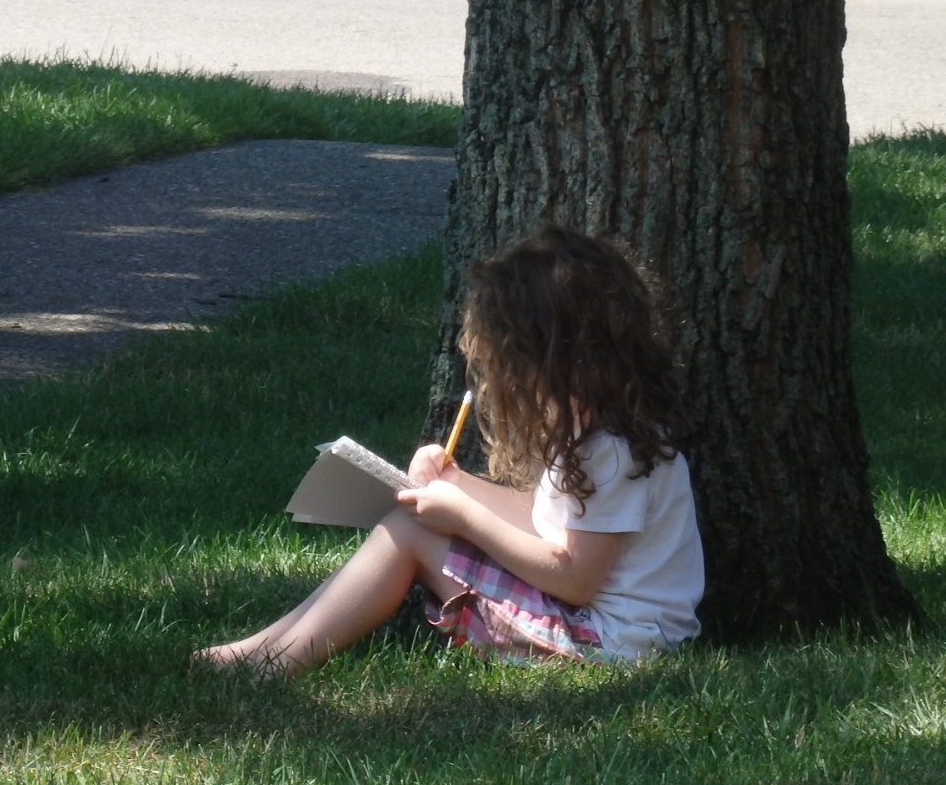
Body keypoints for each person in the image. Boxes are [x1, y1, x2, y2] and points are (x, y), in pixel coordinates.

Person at [194, 226, 704, 676]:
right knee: (413, 521)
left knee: (409, 532)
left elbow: (575, 579)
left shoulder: (609, 450)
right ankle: (258, 652)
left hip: (606, 646)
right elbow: (547, 522)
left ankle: (273, 663)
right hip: (599, 631)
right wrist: (458, 484)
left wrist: (464, 518)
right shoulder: (599, 435)